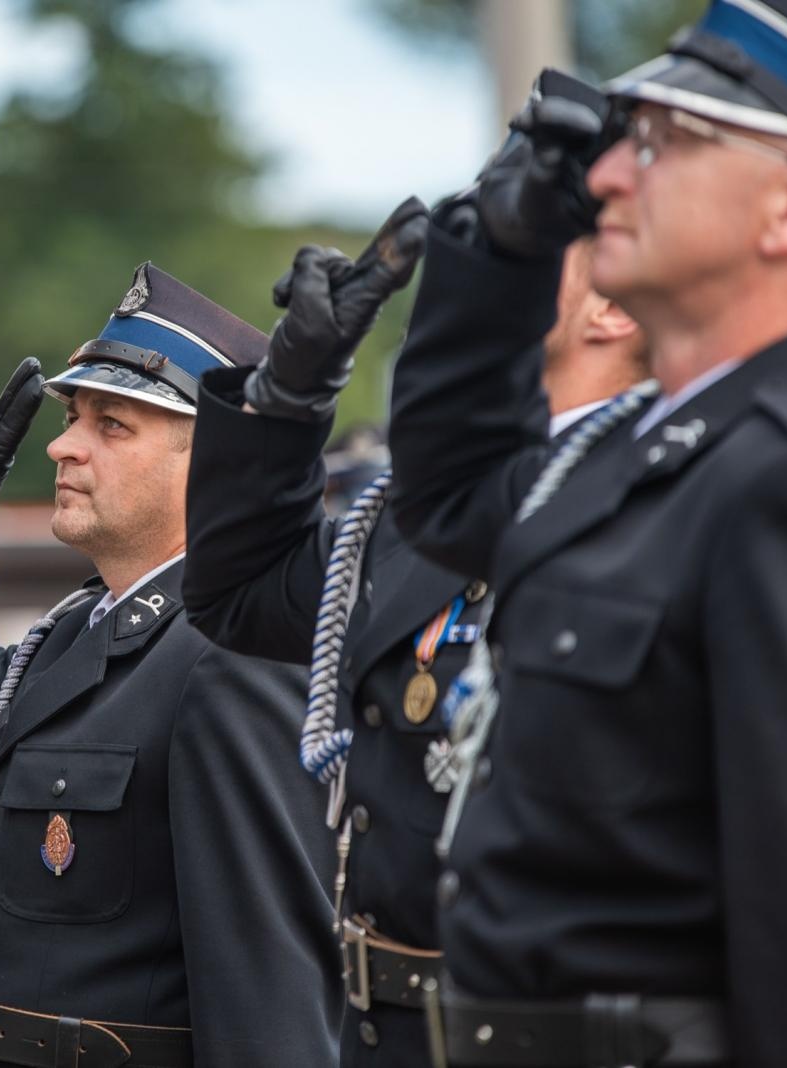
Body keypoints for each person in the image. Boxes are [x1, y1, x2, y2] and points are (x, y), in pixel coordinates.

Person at [384, 3, 787, 1066]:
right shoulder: (630, 449)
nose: (609, 176)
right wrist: (499, 248)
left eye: (664, 142)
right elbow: (447, 493)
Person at [182, 197, 647, 1066]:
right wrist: (290, 393)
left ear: (613, 308)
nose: (476, 279)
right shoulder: (421, 504)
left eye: (523, 253)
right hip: (387, 1029)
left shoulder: (664, 492)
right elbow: (239, 594)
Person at [0, 263, 341, 1068]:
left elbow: (268, 994)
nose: (61, 444)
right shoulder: (79, 629)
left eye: (112, 425)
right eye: (73, 416)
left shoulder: (238, 658)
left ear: (218, 464)